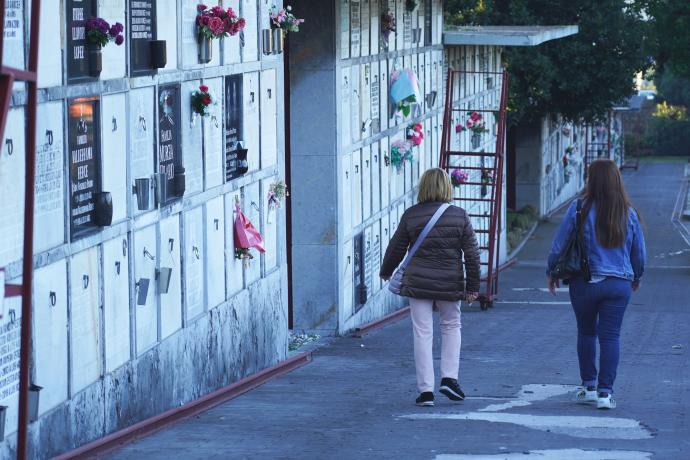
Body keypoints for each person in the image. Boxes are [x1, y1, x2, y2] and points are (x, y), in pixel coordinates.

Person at [547, 159, 646, 410]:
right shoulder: (628, 212)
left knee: (587, 332)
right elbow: (639, 253)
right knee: (611, 336)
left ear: (591, 179)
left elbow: (559, 244)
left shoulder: (578, 207)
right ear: (616, 180)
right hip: (618, 284)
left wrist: (552, 271)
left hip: (584, 281)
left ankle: (588, 387)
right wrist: (636, 277)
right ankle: (606, 393)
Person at [380, 168, 481, 407]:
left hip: (418, 282)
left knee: (422, 333)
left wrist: (386, 270)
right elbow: (472, 255)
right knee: (451, 326)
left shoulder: (412, 215)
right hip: (450, 281)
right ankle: (450, 379)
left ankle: (426, 391)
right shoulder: (459, 215)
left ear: (422, 187)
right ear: (448, 187)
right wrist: (473, 287)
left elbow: (397, 246)